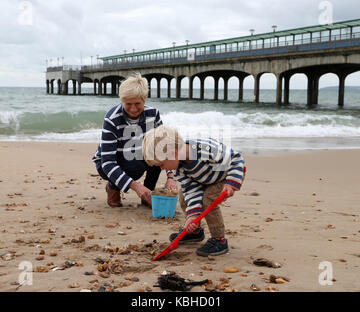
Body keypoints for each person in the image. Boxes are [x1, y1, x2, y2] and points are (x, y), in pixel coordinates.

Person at [142, 125, 246, 257]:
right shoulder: (177, 168)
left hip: (226, 177)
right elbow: (191, 189)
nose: (162, 169)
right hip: (204, 180)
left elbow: (236, 159)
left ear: (172, 153)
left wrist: (231, 182)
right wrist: (192, 216)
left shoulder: (205, 149)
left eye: (161, 164)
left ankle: (219, 240)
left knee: (208, 201)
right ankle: (196, 231)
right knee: (184, 197)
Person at [92, 74, 177, 207]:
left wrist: (171, 177)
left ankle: (148, 194)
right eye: (128, 104)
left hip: (138, 156)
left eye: (137, 103)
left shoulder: (153, 115)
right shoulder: (112, 119)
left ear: (144, 99)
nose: (133, 109)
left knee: (155, 152)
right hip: (109, 163)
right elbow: (107, 163)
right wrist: (137, 187)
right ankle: (113, 188)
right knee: (132, 165)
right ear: (122, 101)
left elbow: (164, 148)